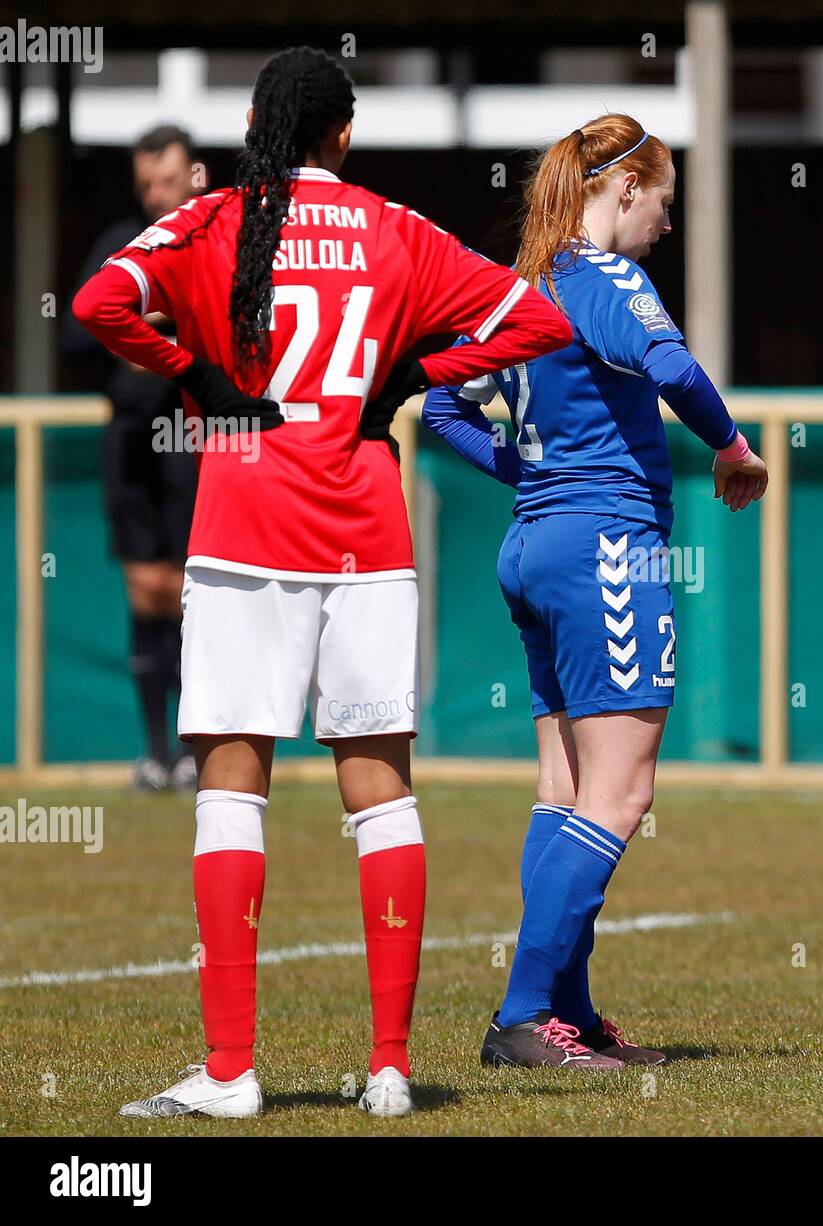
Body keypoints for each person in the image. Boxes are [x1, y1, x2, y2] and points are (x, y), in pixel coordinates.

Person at [72, 46, 571, 1118]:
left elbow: (101, 302)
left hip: (245, 521)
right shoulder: (395, 227)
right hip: (365, 529)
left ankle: (229, 1071)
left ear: (256, 119)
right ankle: (391, 1069)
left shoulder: (212, 220)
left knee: (231, 784)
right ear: (343, 135)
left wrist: (198, 374)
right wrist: (408, 373)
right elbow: (540, 320)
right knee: (380, 786)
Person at [414, 113, 768, 1069]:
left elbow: (440, 406)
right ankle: (523, 1017)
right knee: (620, 793)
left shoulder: (516, 288)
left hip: (535, 545)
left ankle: (563, 1009)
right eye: (662, 202)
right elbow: (674, 368)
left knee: (564, 788)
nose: (663, 222)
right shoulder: (604, 277)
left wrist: (527, 472)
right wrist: (733, 450)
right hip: (606, 546)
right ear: (622, 191)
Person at [64, 124, 205, 790]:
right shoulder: (117, 248)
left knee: (194, 596)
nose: (158, 195)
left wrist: (158, 330)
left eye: (169, 181)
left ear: (194, 176)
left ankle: (200, 749)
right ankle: (156, 754)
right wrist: (125, 338)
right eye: (147, 183)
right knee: (144, 589)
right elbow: (75, 333)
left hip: (193, 441)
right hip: (130, 441)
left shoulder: (211, 241)